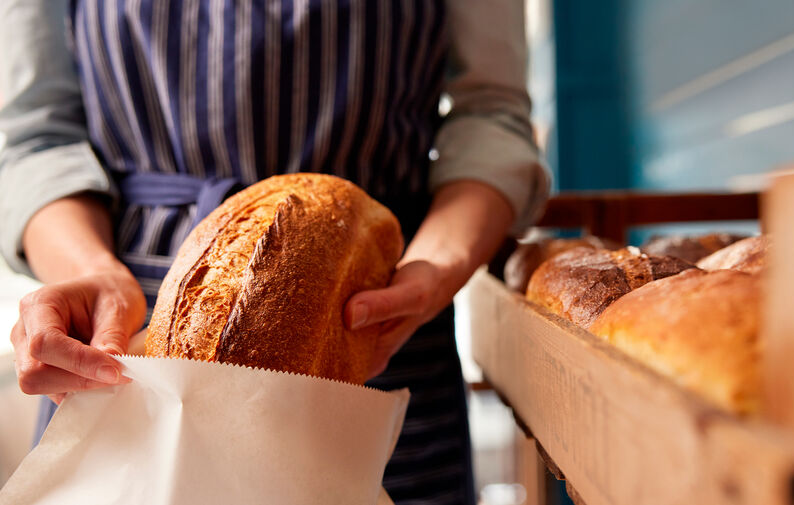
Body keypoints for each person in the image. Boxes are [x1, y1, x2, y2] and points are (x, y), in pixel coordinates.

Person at [0, 1, 549, 503]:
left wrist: (439, 264)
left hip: (373, 327)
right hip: (130, 345)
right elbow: (36, 137)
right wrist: (90, 271)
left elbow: (490, 114)